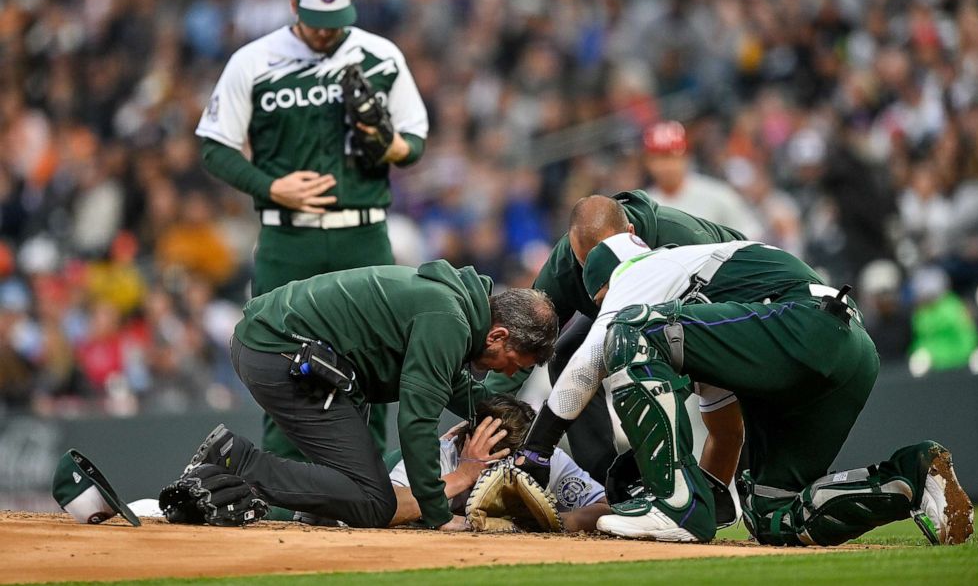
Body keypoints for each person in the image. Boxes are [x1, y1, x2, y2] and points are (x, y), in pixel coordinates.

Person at [520, 235, 974, 546]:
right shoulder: (691, 306)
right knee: (770, 517)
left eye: (599, 303)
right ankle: (911, 476)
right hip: (848, 350)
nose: (602, 310)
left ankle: (672, 505)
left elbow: (588, 361)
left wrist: (535, 451)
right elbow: (726, 429)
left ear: (604, 285)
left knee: (627, 332)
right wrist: (712, 489)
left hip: (802, 322)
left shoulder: (638, 274)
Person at [195, 0, 428, 470]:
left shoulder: (380, 55)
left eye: (336, 22)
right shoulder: (254, 60)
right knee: (279, 362)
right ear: (293, 7)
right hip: (287, 237)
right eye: (317, 22)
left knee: (369, 362)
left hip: (362, 234)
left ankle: (368, 486)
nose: (326, 34)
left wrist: (386, 145)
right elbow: (214, 144)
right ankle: (282, 490)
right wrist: (271, 186)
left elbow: (415, 141)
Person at [180, 260, 557, 530]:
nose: (510, 373)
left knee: (361, 485)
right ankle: (234, 461)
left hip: (282, 350)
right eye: (513, 361)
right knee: (376, 502)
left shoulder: (455, 309)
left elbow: (453, 388)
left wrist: (496, 418)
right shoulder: (448, 322)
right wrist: (438, 512)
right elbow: (416, 422)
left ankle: (316, 511)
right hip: (279, 354)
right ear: (498, 336)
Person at [531, 192, 748, 484]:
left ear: (631, 235)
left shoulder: (683, 238)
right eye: (585, 264)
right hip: (639, 311)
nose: (592, 272)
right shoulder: (563, 267)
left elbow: (690, 350)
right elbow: (524, 336)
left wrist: (537, 447)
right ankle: (601, 483)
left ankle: (693, 485)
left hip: (718, 302)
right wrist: (487, 407)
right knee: (569, 349)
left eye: (601, 262)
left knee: (670, 365)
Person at [389, 394, 610, 532]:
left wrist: (547, 522)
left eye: (507, 466)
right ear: (464, 445)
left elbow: (605, 509)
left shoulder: (543, 457)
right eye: (489, 467)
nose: (498, 479)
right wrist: (464, 475)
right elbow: (387, 507)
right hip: (389, 460)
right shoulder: (442, 454)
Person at [641, 121, 761, 238]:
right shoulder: (643, 206)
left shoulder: (718, 194)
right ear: (647, 162)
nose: (666, 165)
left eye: (672, 157)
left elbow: (749, 235)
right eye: (659, 158)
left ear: (686, 157)